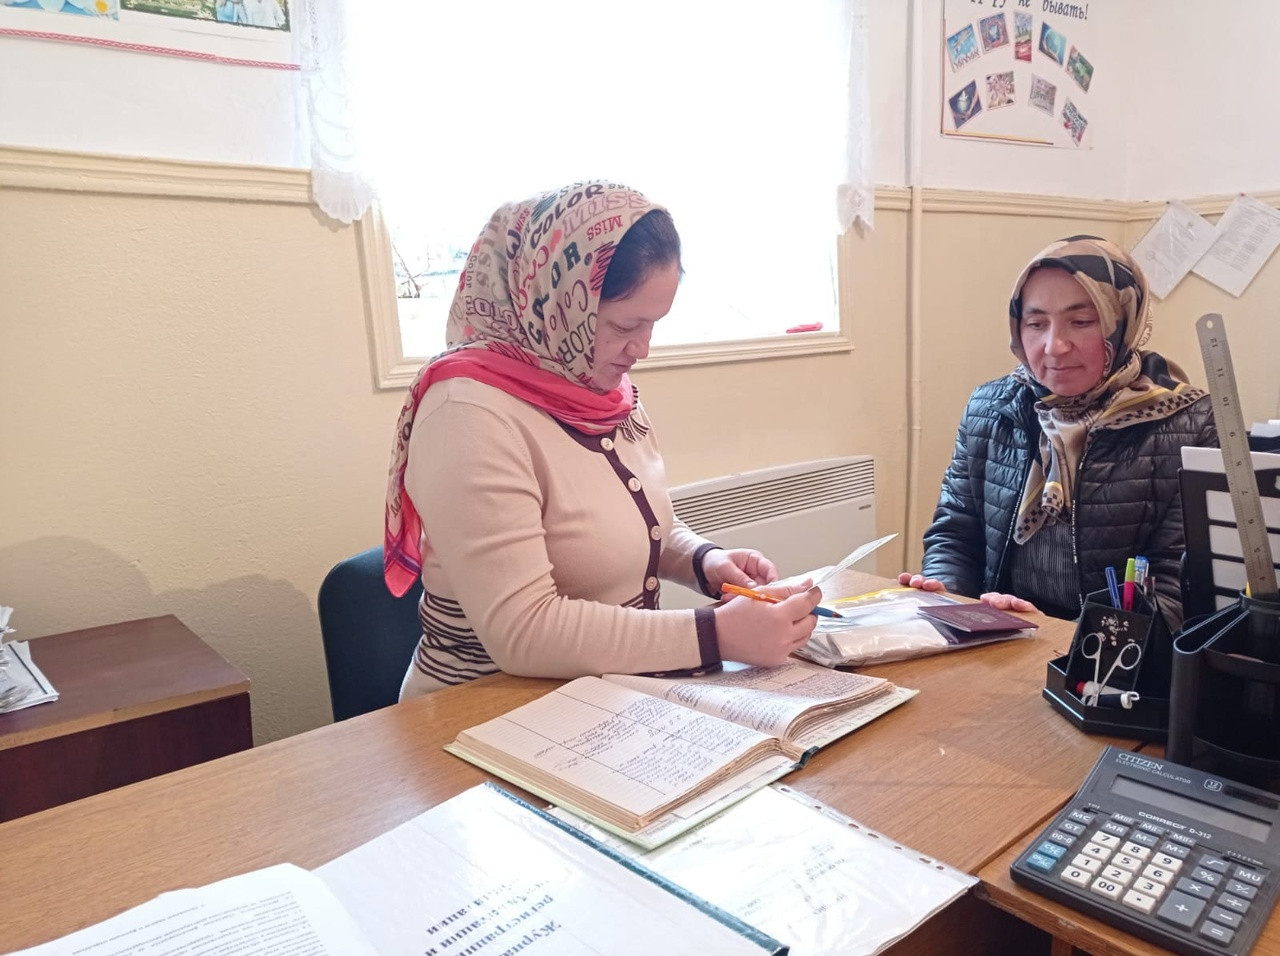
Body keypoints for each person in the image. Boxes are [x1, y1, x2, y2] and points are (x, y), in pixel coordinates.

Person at [385, 182, 821, 698]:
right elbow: (524, 632)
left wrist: (705, 562)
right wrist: (717, 634)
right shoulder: (469, 413)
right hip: (479, 714)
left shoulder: (600, 387)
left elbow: (630, 525)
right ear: (558, 306)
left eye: (653, 324)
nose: (642, 349)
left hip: (599, 702)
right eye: (624, 325)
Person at [899, 235, 1216, 629]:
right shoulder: (989, 408)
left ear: (1123, 322)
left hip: (1117, 654)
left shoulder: (1192, 422)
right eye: (1036, 323)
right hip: (1000, 633)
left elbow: (1178, 585)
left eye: (1081, 322)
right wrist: (947, 598)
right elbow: (956, 531)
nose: (1054, 346)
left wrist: (1060, 633)